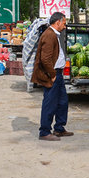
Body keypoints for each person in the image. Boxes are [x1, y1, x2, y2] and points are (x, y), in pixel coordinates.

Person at [31, 12, 72, 141]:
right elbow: (45, 59)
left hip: (57, 74)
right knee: (50, 103)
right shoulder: (49, 35)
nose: (65, 26)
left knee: (62, 102)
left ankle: (59, 128)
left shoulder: (54, 34)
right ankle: (44, 132)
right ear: (58, 22)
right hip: (53, 75)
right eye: (64, 23)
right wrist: (52, 74)